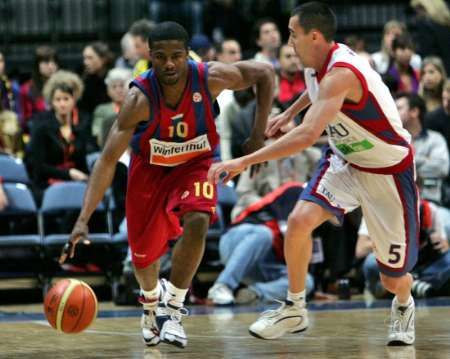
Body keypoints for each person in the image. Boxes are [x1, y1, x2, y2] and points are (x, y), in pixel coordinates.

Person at [208, 2, 418, 345]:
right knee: (300, 220)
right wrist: (289, 112)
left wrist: (242, 162)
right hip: (345, 159)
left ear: (315, 36)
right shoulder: (316, 62)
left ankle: (405, 304)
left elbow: (307, 136)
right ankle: (294, 309)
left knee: (392, 279)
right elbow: (315, 91)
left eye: (293, 34)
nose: (289, 42)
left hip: (387, 171)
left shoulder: (342, 74)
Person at [58, 21, 274, 348]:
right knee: (144, 258)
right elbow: (106, 160)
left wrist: (258, 136)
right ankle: (150, 304)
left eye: (176, 56)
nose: (169, 64)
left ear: (187, 55)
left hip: (196, 164)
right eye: (160, 57)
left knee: (199, 220)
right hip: (150, 172)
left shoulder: (210, 77)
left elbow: (265, 73)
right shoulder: (138, 99)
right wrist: (83, 219)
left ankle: (172, 308)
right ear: (150, 57)